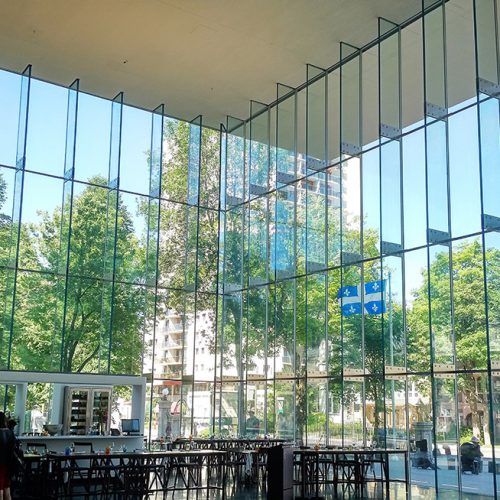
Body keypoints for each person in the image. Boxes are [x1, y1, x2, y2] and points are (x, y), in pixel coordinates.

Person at [0, 411, 15, 500]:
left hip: (0, 464)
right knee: (6, 488)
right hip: (9, 464)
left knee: (0, 489)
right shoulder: (10, 433)